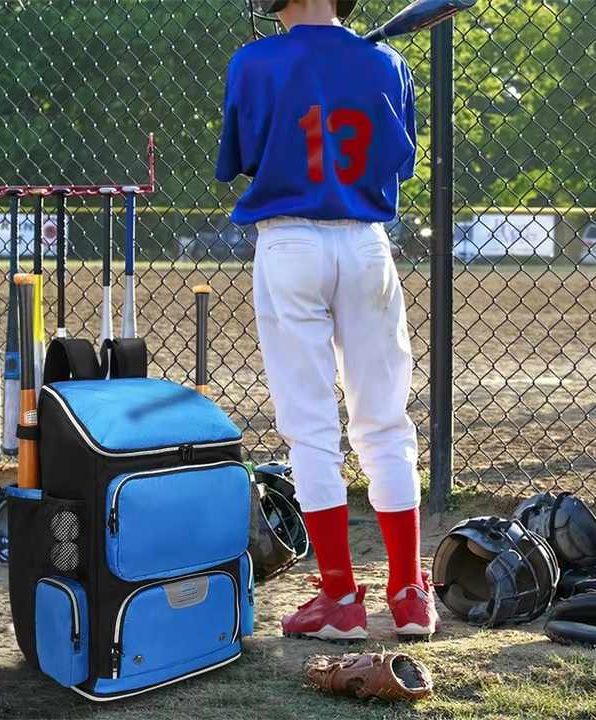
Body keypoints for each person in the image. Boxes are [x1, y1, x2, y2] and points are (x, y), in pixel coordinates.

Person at [215, 0, 438, 642]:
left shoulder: (254, 61)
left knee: (311, 426)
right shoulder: (388, 62)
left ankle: (339, 598)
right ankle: (409, 595)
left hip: (289, 243)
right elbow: (398, 164)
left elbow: (242, 158)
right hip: (366, 244)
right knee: (385, 419)